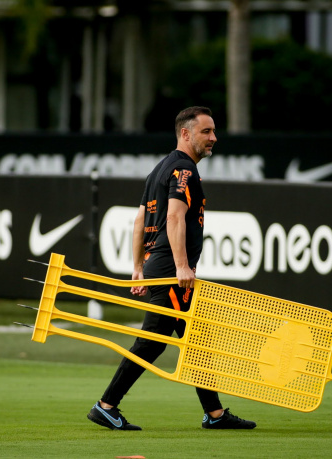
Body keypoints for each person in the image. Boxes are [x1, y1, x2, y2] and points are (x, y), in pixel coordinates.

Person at [87, 106, 257, 431]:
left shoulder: (159, 169)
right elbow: (175, 218)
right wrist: (181, 265)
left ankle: (215, 414)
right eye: (206, 131)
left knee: (197, 338)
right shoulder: (184, 170)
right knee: (153, 340)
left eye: (213, 131)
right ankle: (106, 405)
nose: (213, 138)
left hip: (157, 266)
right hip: (170, 270)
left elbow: (140, 221)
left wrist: (138, 267)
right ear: (185, 133)